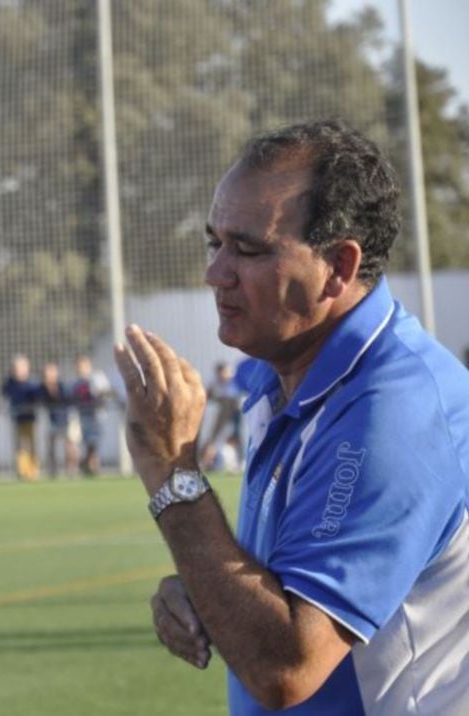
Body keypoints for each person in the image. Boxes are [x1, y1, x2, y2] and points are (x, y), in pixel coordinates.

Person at [114, 119, 468, 714]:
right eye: (214, 242)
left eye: (248, 249)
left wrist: (172, 473)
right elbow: (282, 593)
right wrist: (207, 592)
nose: (215, 273)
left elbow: (289, 665)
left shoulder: (391, 415)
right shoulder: (278, 372)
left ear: (339, 266)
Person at [0, 354, 40, 480]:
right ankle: (22, 471)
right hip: (17, 419)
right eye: (17, 368)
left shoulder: (32, 383)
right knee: (20, 446)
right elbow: (3, 394)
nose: (19, 371)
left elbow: (37, 397)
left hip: (30, 418)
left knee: (31, 445)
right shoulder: (10, 383)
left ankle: (33, 470)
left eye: (22, 368)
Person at [198, 361, 243, 471]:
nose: (223, 375)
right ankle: (205, 461)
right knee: (214, 437)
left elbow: (236, 397)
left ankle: (240, 462)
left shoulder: (233, 381)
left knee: (236, 436)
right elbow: (208, 396)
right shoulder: (215, 383)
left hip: (235, 411)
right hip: (223, 411)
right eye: (220, 373)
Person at [71, 355, 110, 476]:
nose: (81, 369)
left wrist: (100, 394)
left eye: (84, 366)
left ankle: (90, 466)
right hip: (84, 416)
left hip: (96, 416)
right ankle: (90, 467)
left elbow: (106, 392)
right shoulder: (76, 383)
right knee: (88, 442)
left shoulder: (96, 378)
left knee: (94, 442)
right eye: (79, 367)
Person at [38, 361, 76, 477]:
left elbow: (68, 399)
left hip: (66, 419)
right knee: (51, 446)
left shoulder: (62, 386)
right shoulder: (42, 388)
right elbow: (40, 400)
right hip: (51, 421)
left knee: (70, 446)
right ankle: (53, 472)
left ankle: (71, 470)